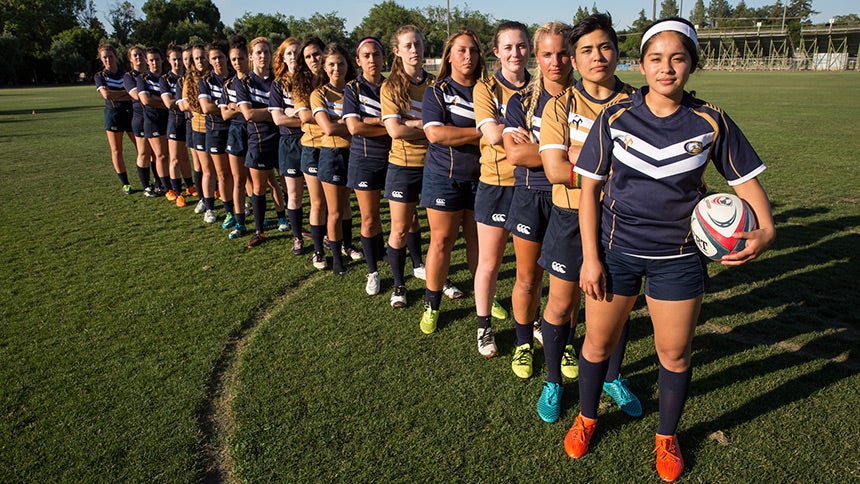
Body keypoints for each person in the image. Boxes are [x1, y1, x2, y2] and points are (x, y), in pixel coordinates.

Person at [566, 17, 775, 482]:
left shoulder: (711, 120)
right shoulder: (616, 116)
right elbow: (589, 190)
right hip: (616, 252)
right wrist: (591, 258)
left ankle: (666, 436)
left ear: (692, 65)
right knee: (597, 343)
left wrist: (767, 230)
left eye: (678, 58)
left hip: (678, 258)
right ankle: (587, 418)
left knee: (674, 354)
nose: (666, 68)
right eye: (656, 59)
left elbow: (746, 182)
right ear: (641, 65)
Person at [535, 14, 643, 424]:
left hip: (621, 218)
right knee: (561, 304)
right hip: (569, 215)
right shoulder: (560, 106)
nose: (597, 56)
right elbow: (554, 170)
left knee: (617, 305)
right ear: (575, 60)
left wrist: (584, 161)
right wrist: (614, 168)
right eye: (586, 50)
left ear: (616, 52)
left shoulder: (639, 103)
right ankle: (553, 382)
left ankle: (612, 377)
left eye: (605, 47)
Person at [502, 21, 573, 378]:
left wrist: (541, 149)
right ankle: (523, 344)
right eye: (547, 54)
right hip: (531, 195)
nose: (555, 62)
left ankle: (567, 345)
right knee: (527, 278)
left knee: (568, 282)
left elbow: (599, 153)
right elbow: (516, 154)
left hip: (571, 198)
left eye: (563, 53)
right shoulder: (521, 101)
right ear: (537, 56)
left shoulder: (584, 99)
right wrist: (567, 151)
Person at [471, 21, 531, 357]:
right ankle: (484, 327)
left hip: (531, 185)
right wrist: (521, 130)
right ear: (497, 52)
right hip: (495, 184)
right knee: (490, 262)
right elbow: (493, 135)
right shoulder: (486, 87)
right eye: (508, 47)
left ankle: (530, 320)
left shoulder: (540, 86)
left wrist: (509, 127)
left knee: (530, 268)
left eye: (521, 45)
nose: (515, 53)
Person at [418, 29, 484, 334]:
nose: (468, 56)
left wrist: (462, 134)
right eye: (461, 50)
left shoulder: (487, 90)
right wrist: (481, 132)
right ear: (449, 56)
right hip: (443, 176)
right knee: (442, 241)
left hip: (482, 178)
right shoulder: (438, 91)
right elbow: (435, 134)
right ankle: (432, 305)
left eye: (473, 50)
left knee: (477, 242)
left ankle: (484, 297)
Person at [380, 25, 434, 308]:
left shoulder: (436, 83)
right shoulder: (390, 87)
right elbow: (395, 131)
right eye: (408, 45)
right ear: (397, 51)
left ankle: (435, 277)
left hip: (435, 165)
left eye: (418, 44)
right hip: (403, 165)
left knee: (439, 232)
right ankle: (399, 285)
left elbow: (443, 125)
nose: (414, 50)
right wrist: (426, 127)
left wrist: (411, 123)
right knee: (400, 229)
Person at [343, 37, 392, 293]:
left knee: (407, 218)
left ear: (384, 57)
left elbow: (402, 120)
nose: (372, 60)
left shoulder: (392, 86)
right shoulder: (352, 88)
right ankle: (372, 271)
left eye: (376, 54)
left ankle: (415, 263)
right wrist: (386, 125)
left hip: (396, 158)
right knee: (370, 218)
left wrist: (370, 122)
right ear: (358, 60)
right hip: (364, 159)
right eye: (367, 55)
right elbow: (354, 127)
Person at [311, 43, 358, 275]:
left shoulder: (354, 90)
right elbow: (328, 128)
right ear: (324, 67)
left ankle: (348, 246)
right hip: (332, 155)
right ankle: (337, 259)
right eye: (331, 64)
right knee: (335, 211)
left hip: (356, 153)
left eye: (340, 63)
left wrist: (349, 124)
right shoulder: (319, 94)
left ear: (348, 65)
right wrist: (353, 125)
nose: (336, 68)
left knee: (347, 206)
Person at [236, 36, 286, 248]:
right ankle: (260, 231)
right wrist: (276, 112)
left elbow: (287, 109)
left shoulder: (279, 79)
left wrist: (268, 113)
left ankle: (291, 224)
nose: (263, 56)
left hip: (283, 137)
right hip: (259, 139)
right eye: (258, 52)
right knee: (259, 187)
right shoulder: (243, 82)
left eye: (266, 52)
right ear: (251, 57)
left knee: (289, 185)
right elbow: (249, 114)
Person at [293, 37, 330, 268]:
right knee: (317, 202)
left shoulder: (336, 76)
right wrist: (331, 117)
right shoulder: (299, 84)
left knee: (336, 204)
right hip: (312, 147)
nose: (313, 59)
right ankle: (318, 251)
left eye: (316, 54)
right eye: (307, 56)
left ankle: (339, 241)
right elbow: (305, 116)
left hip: (336, 145)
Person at [270, 38, 307, 253]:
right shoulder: (278, 84)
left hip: (312, 141)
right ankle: (297, 237)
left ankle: (325, 236)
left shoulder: (311, 79)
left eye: (296, 52)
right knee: (294, 195)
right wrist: (305, 119)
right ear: (283, 58)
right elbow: (278, 119)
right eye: (289, 53)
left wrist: (294, 114)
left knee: (319, 196)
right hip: (290, 142)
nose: (293, 57)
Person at [198, 40, 233, 225]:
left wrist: (220, 105)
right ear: (209, 61)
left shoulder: (235, 77)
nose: (218, 61)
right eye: (214, 58)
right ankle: (216, 209)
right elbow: (206, 107)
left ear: (226, 57)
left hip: (236, 129)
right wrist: (228, 107)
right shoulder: (205, 81)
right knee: (221, 173)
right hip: (215, 130)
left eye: (220, 57)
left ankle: (239, 204)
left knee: (238, 173)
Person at [222, 36, 253, 238]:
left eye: (240, 58)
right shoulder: (229, 85)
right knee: (238, 179)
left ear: (248, 58)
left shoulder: (255, 81)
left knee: (267, 179)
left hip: (257, 132)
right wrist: (242, 109)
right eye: (233, 59)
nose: (237, 62)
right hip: (236, 132)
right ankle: (240, 222)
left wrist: (237, 108)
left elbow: (255, 110)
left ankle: (280, 217)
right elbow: (225, 114)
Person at [94, 43, 134, 195]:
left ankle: (150, 181)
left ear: (116, 57)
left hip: (130, 113)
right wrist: (125, 93)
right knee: (117, 150)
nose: (108, 60)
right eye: (104, 57)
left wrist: (117, 94)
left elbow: (132, 94)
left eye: (110, 56)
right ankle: (125, 184)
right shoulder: (100, 76)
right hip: (113, 115)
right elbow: (107, 95)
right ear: (101, 59)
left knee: (143, 148)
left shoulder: (126, 75)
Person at [159, 42, 195, 207]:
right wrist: (184, 101)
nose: (178, 62)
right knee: (174, 159)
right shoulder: (165, 79)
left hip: (190, 120)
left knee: (186, 158)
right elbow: (168, 103)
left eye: (180, 59)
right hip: (175, 121)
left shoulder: (189, 77)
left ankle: (190, 186)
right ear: (168, 60)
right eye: (174, 59)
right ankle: (178, 193)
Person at [182, 44, 215, 218]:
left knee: (223, 170)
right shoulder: (189, 79)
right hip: (199, 127)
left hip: (217, 127)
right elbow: (185, 103)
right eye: (196, 58)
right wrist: (205, 106)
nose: (200, 61)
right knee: (205, 168)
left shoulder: (214, 76)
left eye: (203, 57)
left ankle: (236, 201)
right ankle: (207, 204)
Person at [137, 47, 171, 206]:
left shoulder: (167, 77)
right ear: (147, 62)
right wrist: (166, 103)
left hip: (168, 119)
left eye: (157, 59)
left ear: (162, 60)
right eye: (151, 60)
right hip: (152, 120)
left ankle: (166, 183)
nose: (155, 63)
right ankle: (165, 186)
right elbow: (146, 100)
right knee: (160, 155)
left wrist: (159, 100)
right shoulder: (143, 78)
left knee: (169, 155)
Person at [123, 45, 157, 196]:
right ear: (130, 59)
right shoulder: (129, 77)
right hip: (140, 118)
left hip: (155, 116)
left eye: (140, 54)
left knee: (158, 153)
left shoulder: (152, 74)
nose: (138, 57)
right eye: (135, 55)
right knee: (144, 152)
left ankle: (159, 181)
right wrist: (154, 97)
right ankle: (146, 186)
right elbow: (138, 96)